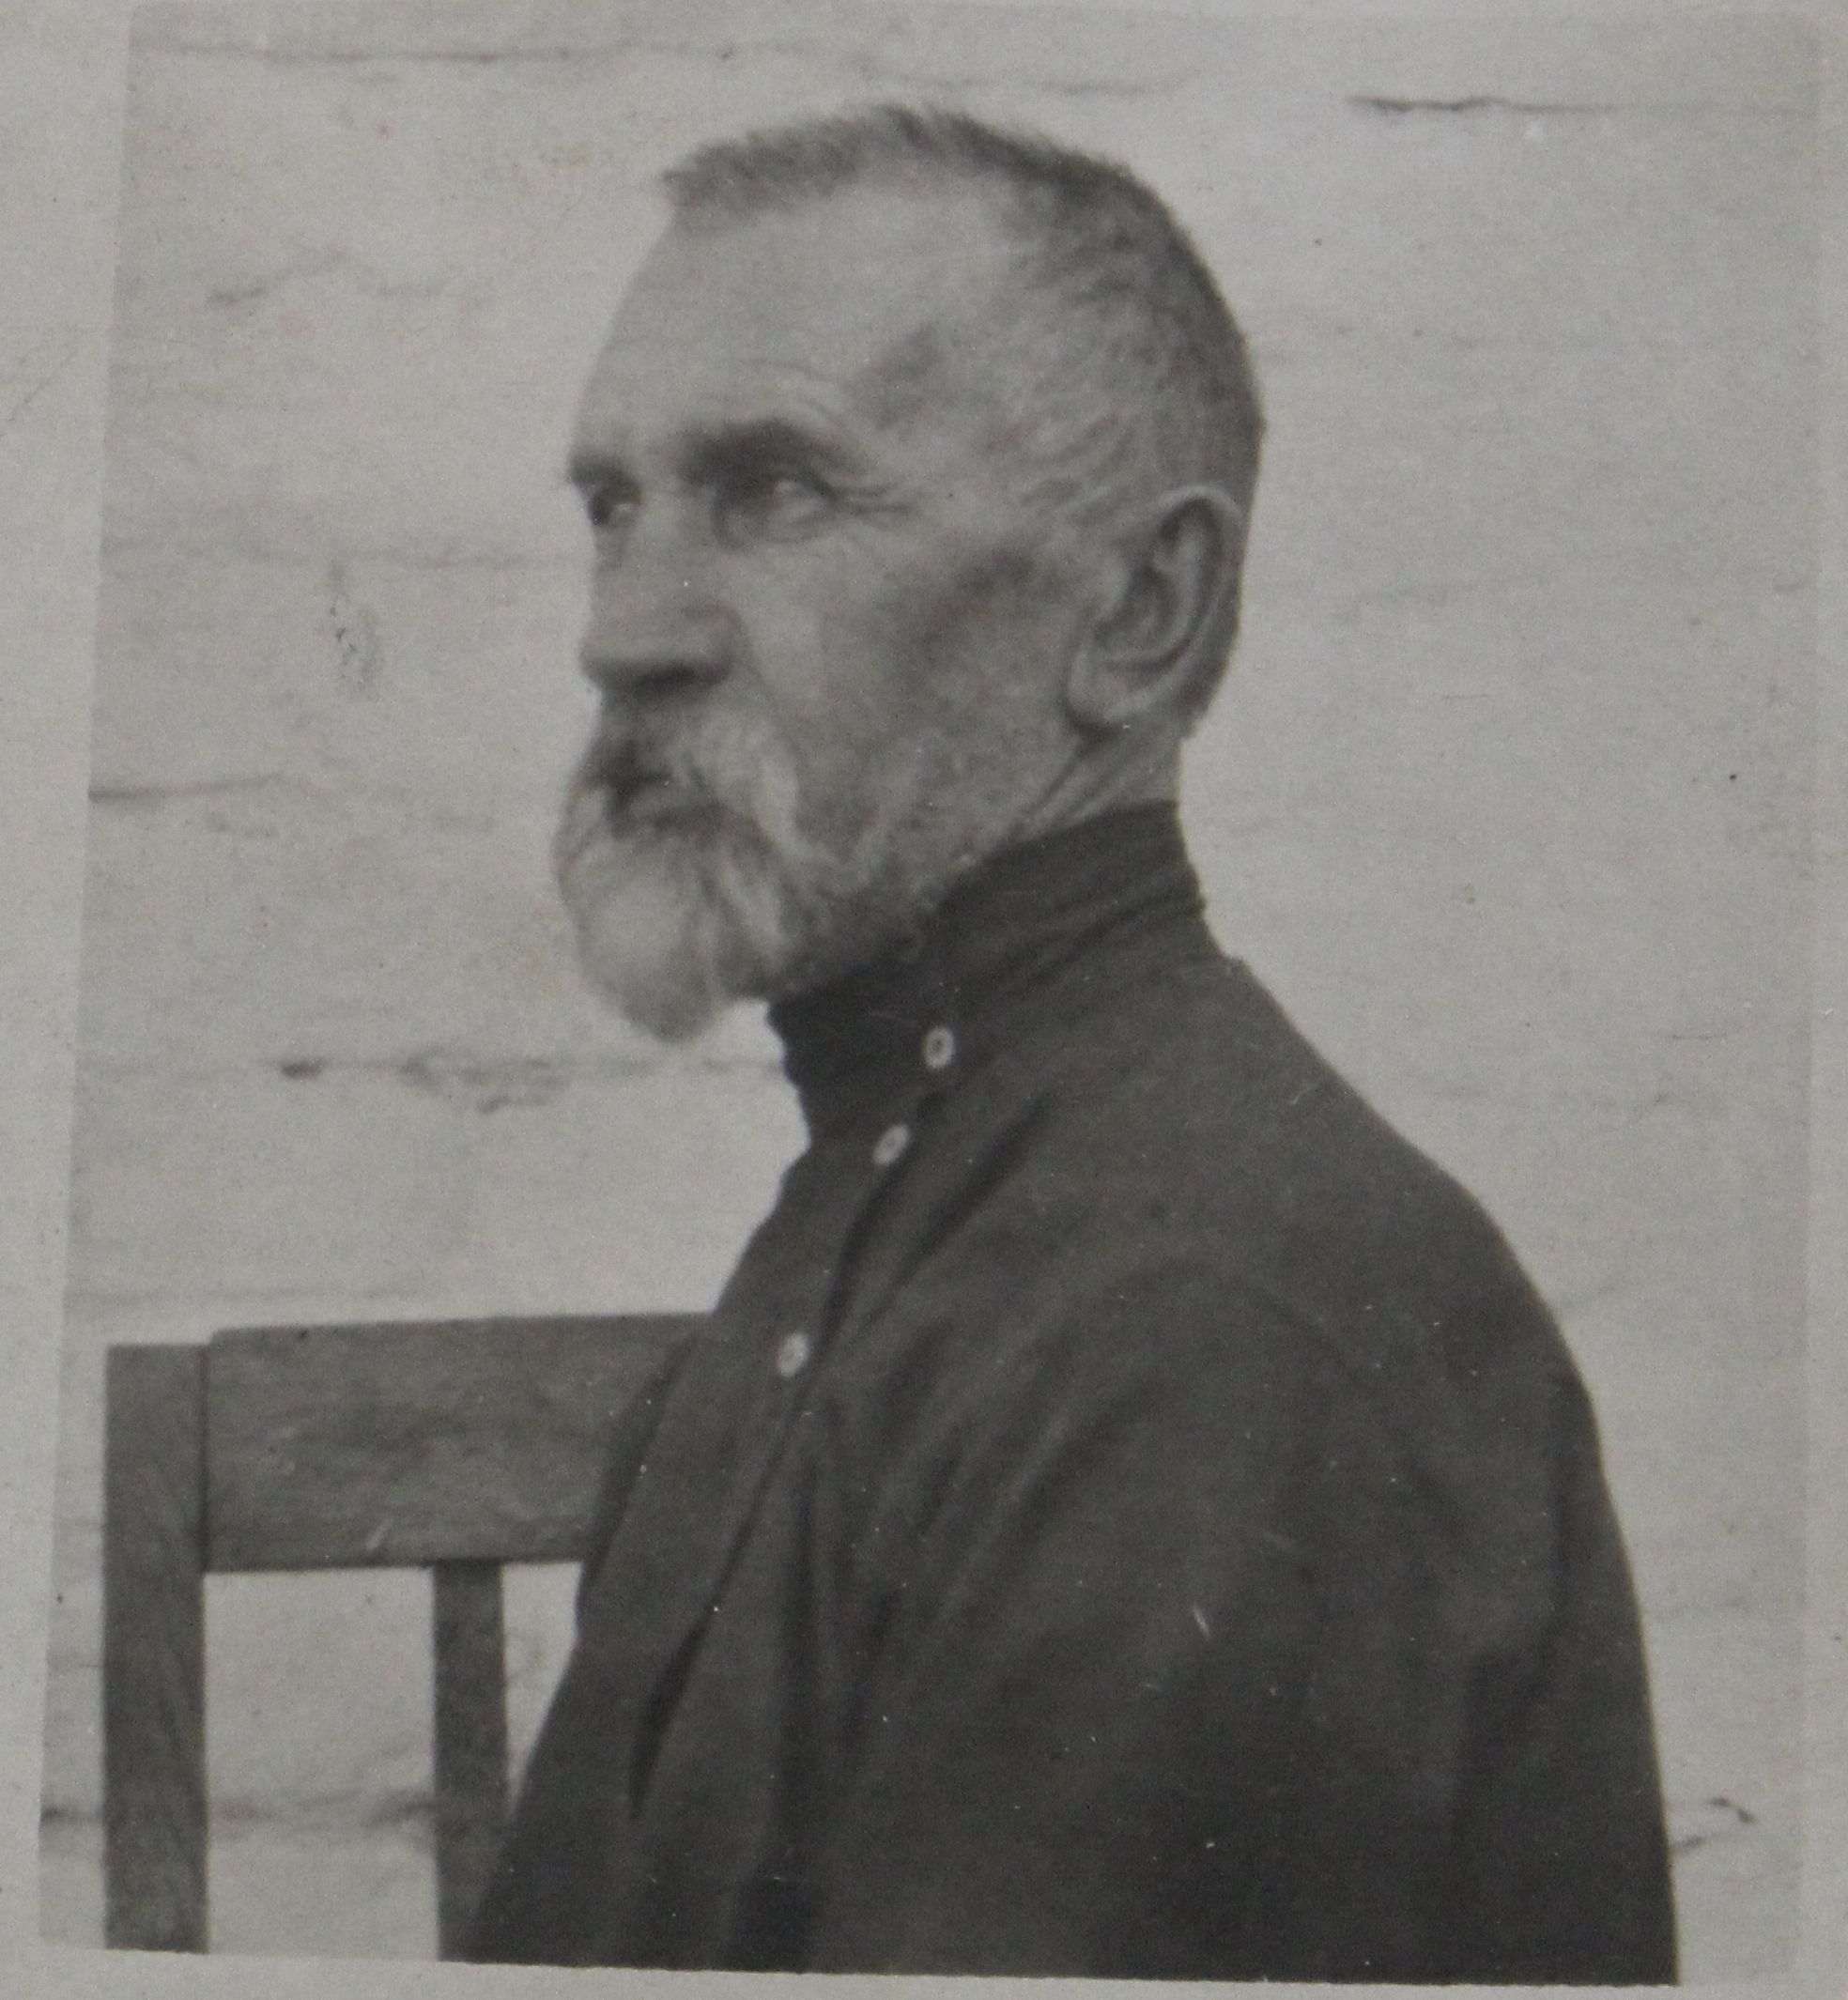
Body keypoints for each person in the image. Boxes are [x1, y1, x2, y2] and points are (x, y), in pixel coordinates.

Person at [468, 105, 1677, 1980]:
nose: (622, 634)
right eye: (614, 507)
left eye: (775, 489)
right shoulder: (926, 1191)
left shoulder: (1201, 1327)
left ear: (1138, 610)